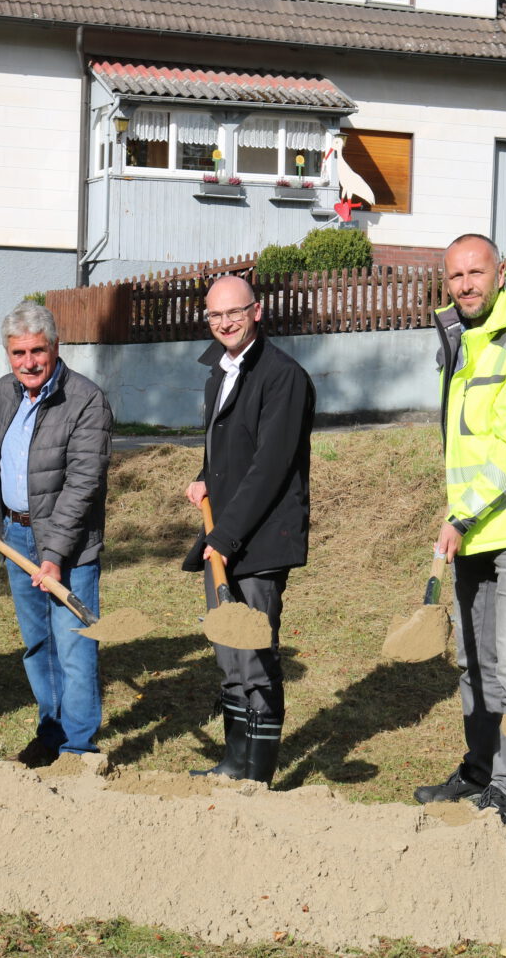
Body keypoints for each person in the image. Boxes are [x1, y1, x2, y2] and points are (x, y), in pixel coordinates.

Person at [412, 233, 506, 825]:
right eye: (455, 276)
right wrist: (462, 517)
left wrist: (461, 514)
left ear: (502, 272)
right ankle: (479, 768)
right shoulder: (465, 339)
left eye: (477, 272)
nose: (466, 285)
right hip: (474, 530)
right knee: (472, 662)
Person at [0, 301, 112, 765]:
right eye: (18, 353)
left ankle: (77, 748)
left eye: (37, 351)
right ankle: (51, 733)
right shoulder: (6, 391)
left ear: (55, 347)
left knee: (74, 645)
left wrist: (55, 555)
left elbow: (83, 484)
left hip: (67, 546)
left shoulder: (86, 400)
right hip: (15, 538)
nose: (28, 363)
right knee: (39, 645)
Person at [183, 274, 314, 787]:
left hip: (257, 539)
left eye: (233, 313)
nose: (224, 323)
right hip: (227, 535)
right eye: (215, 316)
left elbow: (271, 467)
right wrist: (202, 475)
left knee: (255, 655)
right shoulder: (221, 371)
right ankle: (234, 762)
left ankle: (257, 777)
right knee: (229, 654)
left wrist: (224, 536)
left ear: (256, 312)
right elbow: (226, 444)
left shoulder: (283, 377)